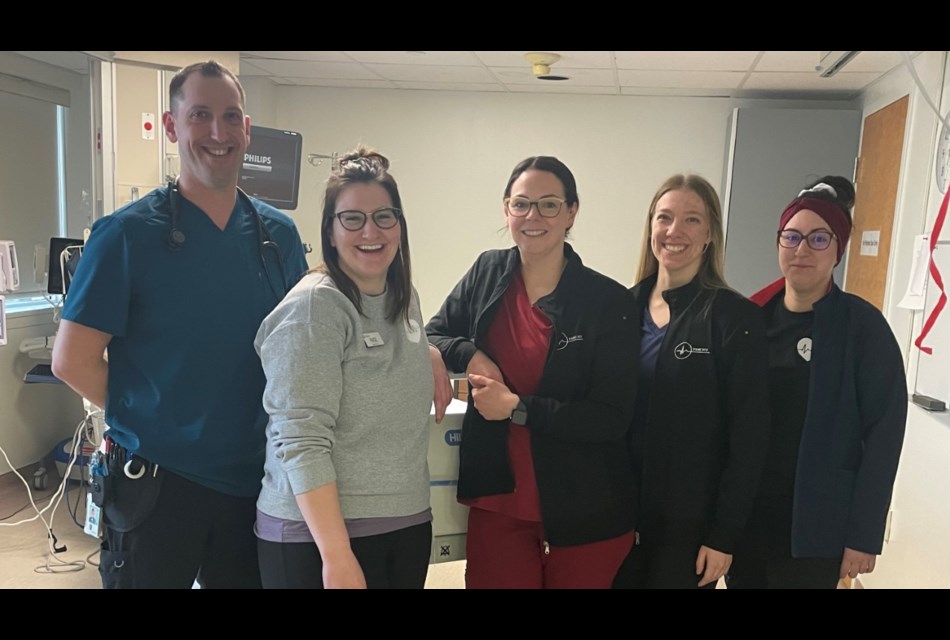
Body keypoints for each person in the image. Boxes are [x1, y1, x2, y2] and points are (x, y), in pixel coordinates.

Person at [51, 60, 308, 589]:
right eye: (200, 116)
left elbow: (309, 344)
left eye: (230, 116)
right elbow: (71, 360)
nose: (218, 132)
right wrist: (156, 420)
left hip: (254, 481)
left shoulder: (277, 238)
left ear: (246, 128)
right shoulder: (125, 236)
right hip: (157, 484)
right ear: (172, 127)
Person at [426, 156, 640, 589]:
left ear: (571, 212)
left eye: (548, 205)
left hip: (584, 504)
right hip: (499, 496)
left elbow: (610, 417)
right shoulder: (487, 272)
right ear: (506, 210)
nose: (532, 217)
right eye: (521, 204)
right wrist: (471, 356)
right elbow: (434, 334)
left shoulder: (608, 302)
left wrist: (517, 408)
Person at [254, 147, 452, 589]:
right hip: (319, 538)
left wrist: (430, 353)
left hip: (404, 520)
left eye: (384, 216)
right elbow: (301, 439)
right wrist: (336, 554)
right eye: (352, 218)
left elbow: (388, 354)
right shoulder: (315, 307)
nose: (371, 231)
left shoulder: (404, 296)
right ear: (329, 228)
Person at [725, 176, 907, 589]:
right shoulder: (750, 321)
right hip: (750, 520)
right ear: (778, 244)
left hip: (817, 528)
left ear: (838, 250)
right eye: (791, 237)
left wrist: (863, 535)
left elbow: (883, 437)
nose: (802, 250)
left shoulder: (863, 329)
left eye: (818, 239)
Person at [614, 174, 771, 589]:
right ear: (650, 228)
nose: (674, 231)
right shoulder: (620, 311)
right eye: (664, 217)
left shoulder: (735, 319)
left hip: (688, 530)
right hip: (616, 518)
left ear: (710, 235)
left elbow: (749, 438)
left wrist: (724, 535)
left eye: (692, 220)